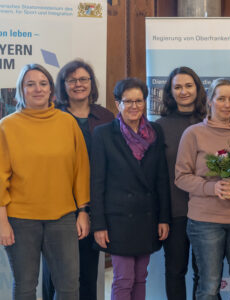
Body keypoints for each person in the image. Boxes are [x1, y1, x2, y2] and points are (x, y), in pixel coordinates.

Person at [0, 63, 90, 299]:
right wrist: (2, 222)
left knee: (69, 287)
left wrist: (83, 212)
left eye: (43, 83)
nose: (37, 89)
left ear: (51, 89)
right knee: (26, 286)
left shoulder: (67, 122)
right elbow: (0, 178)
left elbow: (80, 169)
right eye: (30, 84)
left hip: (62, 219)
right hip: (20, 221)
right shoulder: (7, 127)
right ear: (21, 90)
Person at [175, 78, 230, 299]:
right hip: (205, 223)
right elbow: (181, 177)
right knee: (209, 288)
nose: (227, 104)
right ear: (210, 101)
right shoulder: (193, 134)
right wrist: (212, 188)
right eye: (221, 98)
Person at [90, 77, 170, 300]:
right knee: (123, 278)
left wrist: (164, 218)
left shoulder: (155, 132)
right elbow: (96, 183)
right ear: (118, 104)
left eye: (139, 101)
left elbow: (161, 179)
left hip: (147, 217)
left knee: (140, 277)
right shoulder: (104, 134)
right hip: (117, 220)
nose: (134, 106)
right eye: (128, 101)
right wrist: (99, 224)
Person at [41, 59, 114, 300]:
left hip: (93, 203)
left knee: (87, 270)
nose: (78, 84)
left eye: (83, 79)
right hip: (57, 203)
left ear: (91, 84)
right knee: (56, 271)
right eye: (71, 80)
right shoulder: (51, 116)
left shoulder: (105, 116)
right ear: (63, 85)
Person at [156, 66, 206, 300]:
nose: (183, 91)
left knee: (204, 273)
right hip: (175, 212)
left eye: (188, 85)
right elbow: (157, 176)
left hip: (207, 211)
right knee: (175, 271)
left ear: (197, 88)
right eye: (177, 87)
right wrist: (162, 216)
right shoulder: (160, 127)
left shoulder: (210, 123)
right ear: (170, 92)